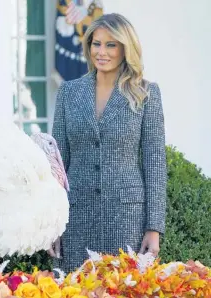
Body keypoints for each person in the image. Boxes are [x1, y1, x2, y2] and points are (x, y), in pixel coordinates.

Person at [52, 13, 166, 272]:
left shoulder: (146, 93)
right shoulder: (69, 92)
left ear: (126, 48)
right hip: (75, 217)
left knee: (124, 286)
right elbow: (57, 164)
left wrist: (154, 227)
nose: (101, 51)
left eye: (110, 44)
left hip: (127, 218)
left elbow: (155, 163)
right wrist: (52, 223)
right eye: (96, 43)